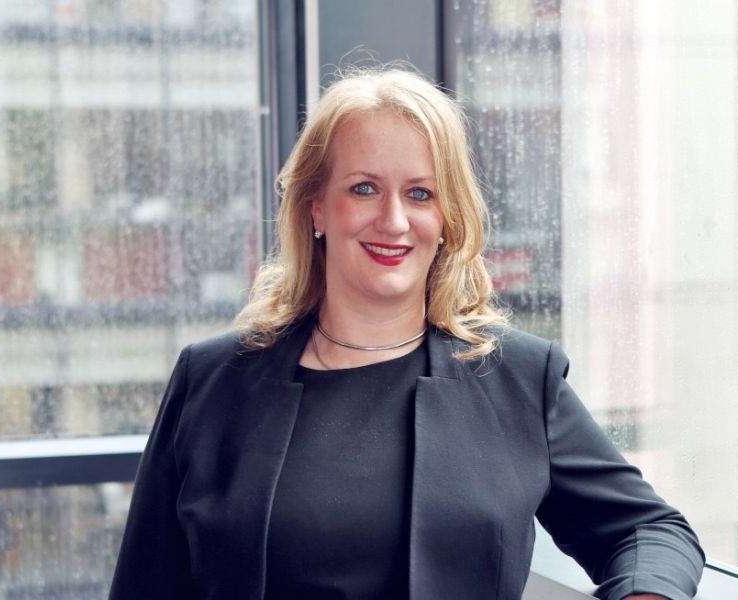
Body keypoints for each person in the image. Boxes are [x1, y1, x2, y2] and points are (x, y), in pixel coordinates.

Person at [109, 66, 704, 600]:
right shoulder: (212, 381)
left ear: (447, 219)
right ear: (317, 208)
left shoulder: (519, 379)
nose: (393, 220)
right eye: (364, 188)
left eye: (420, 194)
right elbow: (144, 584)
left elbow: (651, 531)